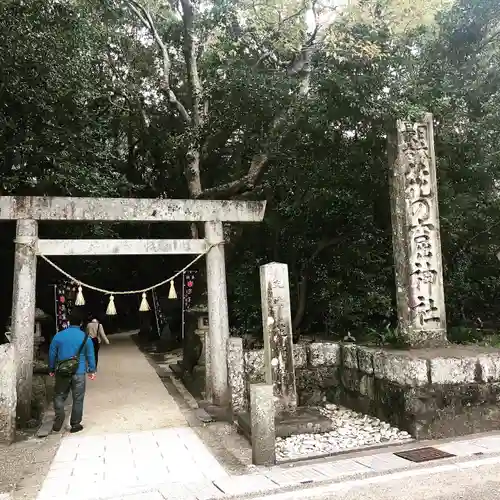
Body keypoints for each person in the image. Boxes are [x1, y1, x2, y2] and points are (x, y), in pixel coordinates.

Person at [49, 308, 96, 434]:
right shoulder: (86, 338)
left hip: (62, 371)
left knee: (59, 395)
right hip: (79, 372)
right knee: (78, 398)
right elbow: (90, 355)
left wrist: (51, 369)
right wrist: (92, 370)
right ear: (81, 323)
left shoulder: (58, 336)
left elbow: (52, 354)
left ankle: (60, 416)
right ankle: (75, 424)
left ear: (68, 322)